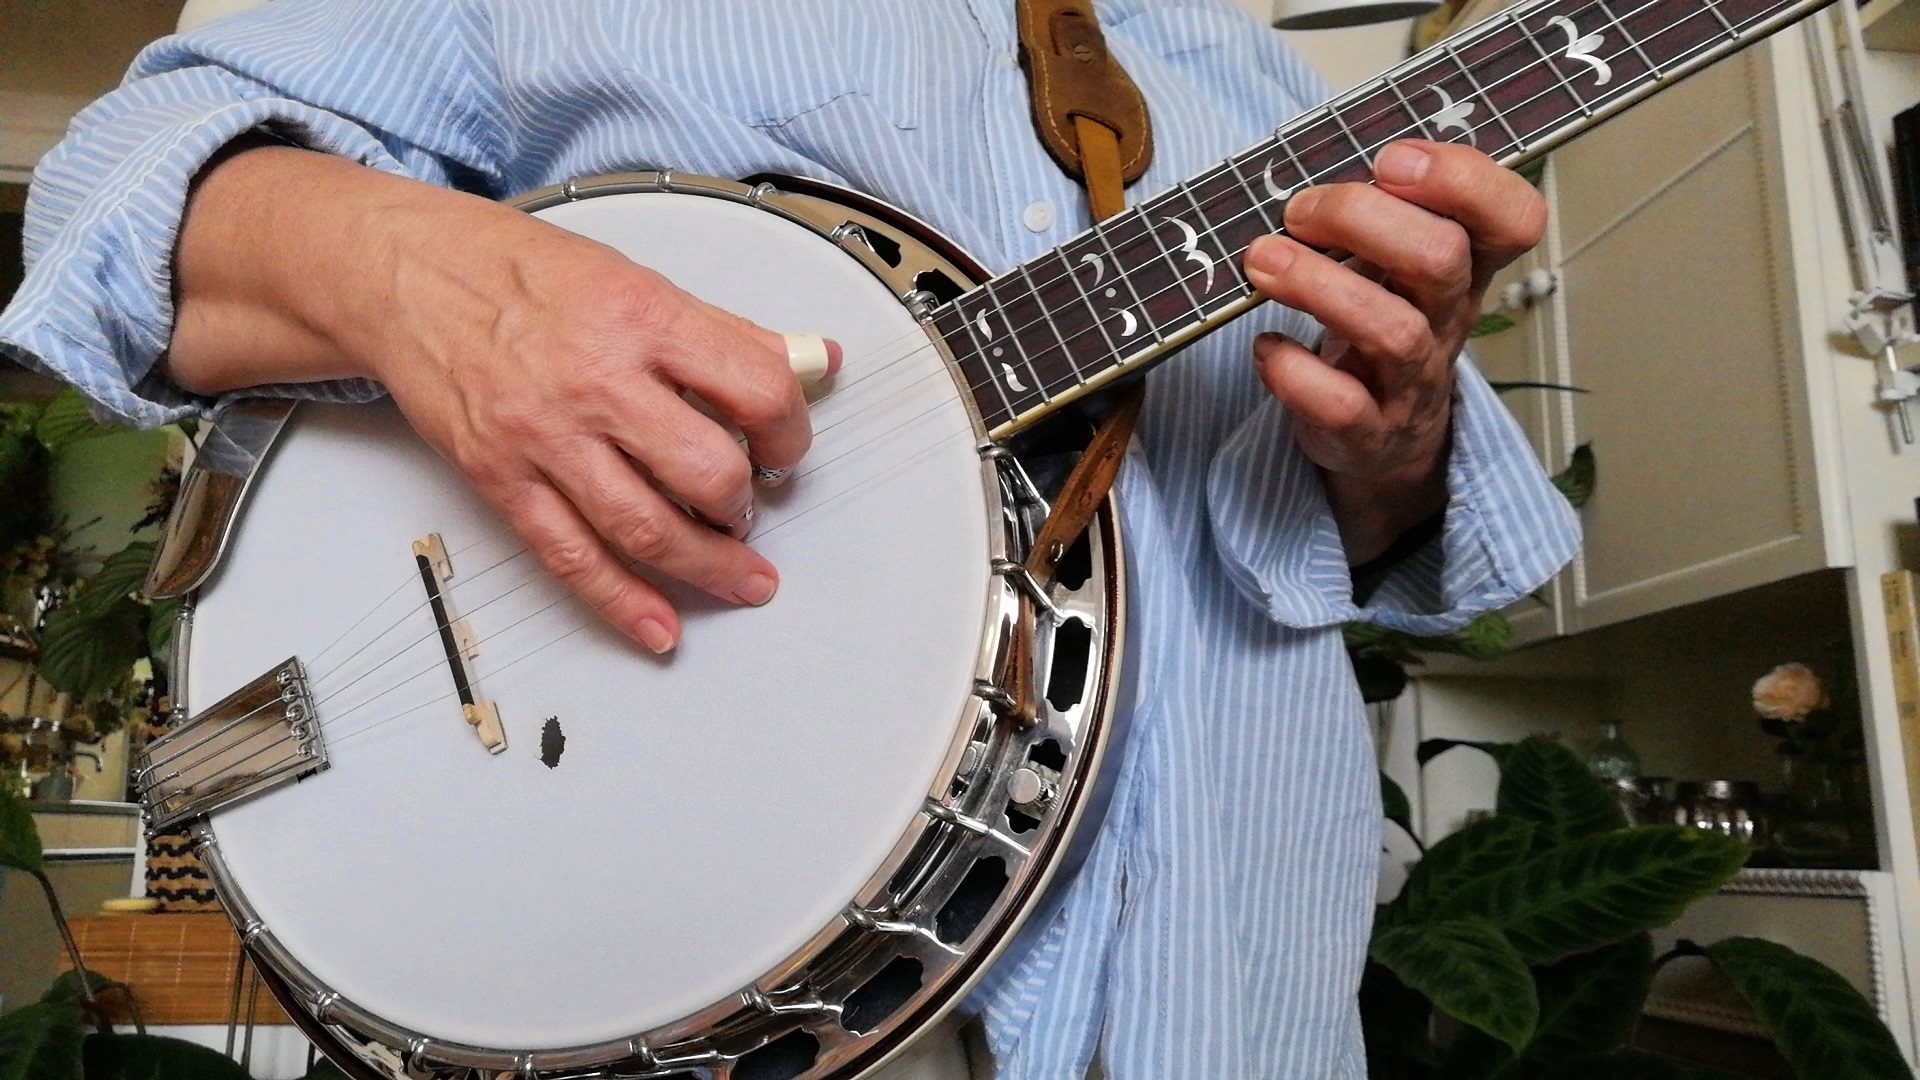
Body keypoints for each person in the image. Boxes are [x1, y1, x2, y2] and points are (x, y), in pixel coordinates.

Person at [0, 1, 1580, 1076]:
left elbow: (1394, 547)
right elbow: (121, 207)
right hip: (713, 999)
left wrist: (1394, 437)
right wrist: (453, 299)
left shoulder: (1243, 78)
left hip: (1238, 1006)